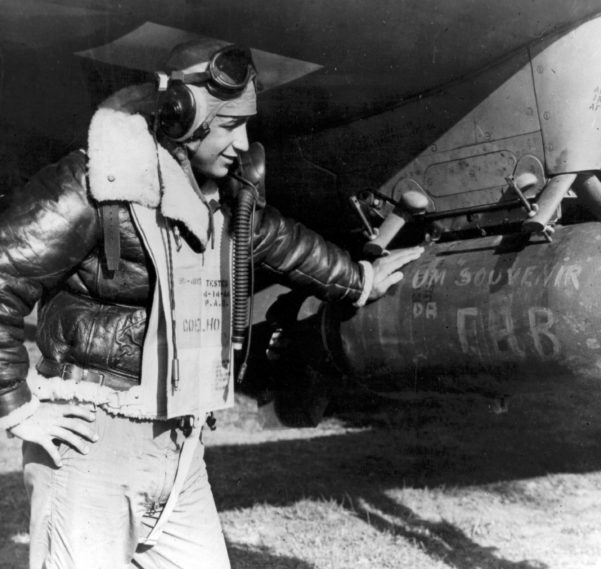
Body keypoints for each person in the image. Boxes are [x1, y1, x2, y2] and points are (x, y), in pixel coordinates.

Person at [0, 38, 422, 569]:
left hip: (180, 449)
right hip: (91, 450)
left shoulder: (217, 197)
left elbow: (280, 241)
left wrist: (359, 279)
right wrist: (18, 408)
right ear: (182, 116)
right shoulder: (93, 182)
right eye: (229, 125)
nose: (243, 143)